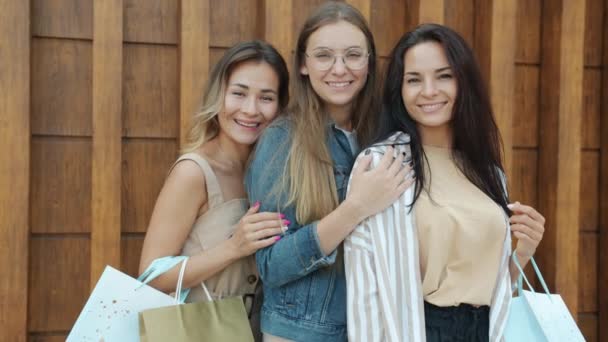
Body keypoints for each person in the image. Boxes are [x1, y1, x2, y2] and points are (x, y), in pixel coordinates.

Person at [344, 23, 546, 342]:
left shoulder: (488, 172)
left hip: (485, 331)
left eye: (444, 76)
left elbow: (491, 286)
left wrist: (523, 253)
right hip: (420, 331)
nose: (428, 91)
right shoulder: (382, 163)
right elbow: (365, 289)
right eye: (414, 80)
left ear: (463, 82)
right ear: (399, 90)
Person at [245, 2, 414, 342]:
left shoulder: (392, 136)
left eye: (353, 55)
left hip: (378, 328)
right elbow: (271, 265)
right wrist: (355, 207)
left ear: (369, 63)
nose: (339, 69)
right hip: (303, 333)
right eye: (323, 56)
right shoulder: (282, 141)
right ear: (304, 65)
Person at [139, 40, 289, 340]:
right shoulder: (193, 173)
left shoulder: (273, 174)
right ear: (218, 96)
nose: (250, 109)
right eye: (239, 93)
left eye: (266, 97)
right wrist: (234, 247)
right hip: (197, 332)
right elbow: (151, 279)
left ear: (280, 106)